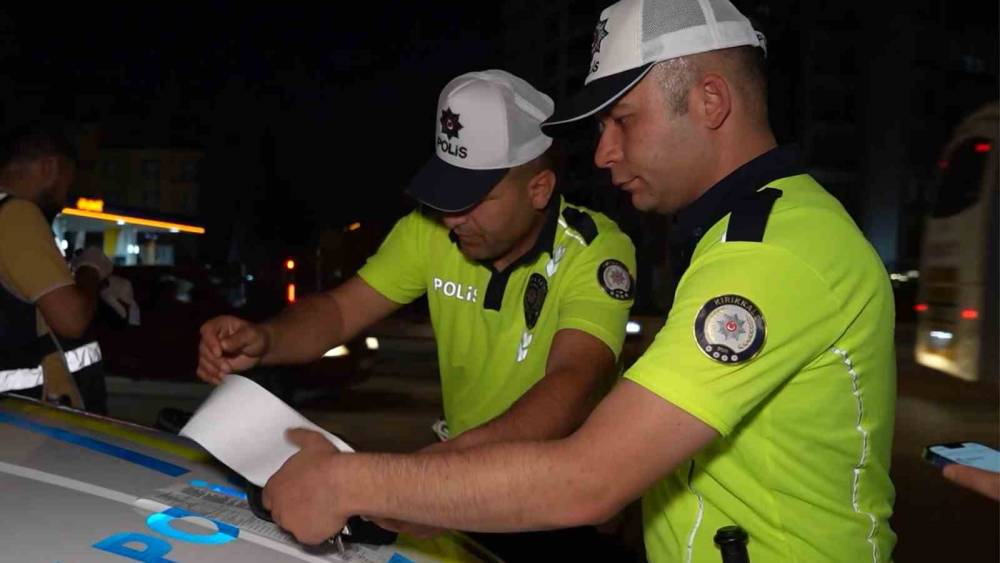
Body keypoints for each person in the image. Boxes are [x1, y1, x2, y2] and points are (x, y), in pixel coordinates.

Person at [260, 1, 898, 562]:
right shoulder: (742, 236)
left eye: (622, 120)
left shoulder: (772, 253)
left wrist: (348, 483)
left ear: (710, 101)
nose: (602, 154)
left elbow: (590, 478)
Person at [197, 71, 637, 556]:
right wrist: (267, 340)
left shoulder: (594, 251)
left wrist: (426, 478)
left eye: (472, 199)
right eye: (446, 195)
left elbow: (573, 383)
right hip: (458, 484)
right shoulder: (427, 233)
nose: (452, 218)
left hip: (557, 499)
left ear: (538, 189)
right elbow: (340, 311)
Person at [0, 125, 130, 412]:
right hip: (28, 419)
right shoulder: (16, 215)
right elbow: (72, 320)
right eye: (67, 183)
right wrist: (90, 269)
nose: (64, 199)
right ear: (50, 167)